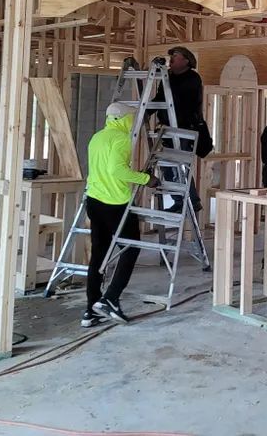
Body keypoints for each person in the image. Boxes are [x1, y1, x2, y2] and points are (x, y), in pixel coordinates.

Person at [83, 102, 158, 327]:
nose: (132, 121)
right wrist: (147, 179)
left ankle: (91, 310)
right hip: (115, 204)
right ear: (123, 119)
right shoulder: (121, 139)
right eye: (130, 118)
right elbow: (117, 170)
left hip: (94, 201)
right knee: (131, 247)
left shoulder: (97, 137)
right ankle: (111, 298)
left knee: (99, 255)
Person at [153, 46, 204, 212]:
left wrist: (164, 76)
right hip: (168, 129)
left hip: (184, 130)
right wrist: (147, 112)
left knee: (180, 167)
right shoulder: (168, 77)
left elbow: (181, 103)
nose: (171, 59)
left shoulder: (192, 79)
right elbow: (160, 98)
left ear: (186, 61)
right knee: (168, 167)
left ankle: (192, 201)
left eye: (175, 56)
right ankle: (179, 200)